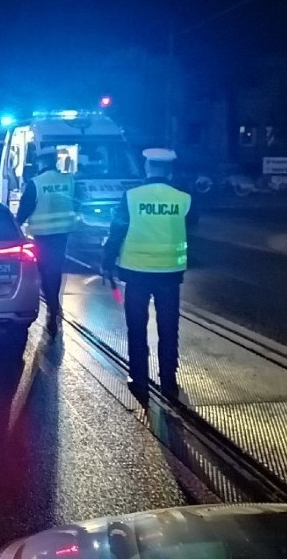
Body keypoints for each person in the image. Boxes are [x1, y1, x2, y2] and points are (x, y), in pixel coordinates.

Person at [101, 148, 195, 399]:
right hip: (169, 273)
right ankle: (169, 382)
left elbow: (117, 230)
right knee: (168, 328)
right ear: (170, 171)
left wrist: (107, 260)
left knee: (136, 326)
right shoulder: (183, 198)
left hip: (136, 272)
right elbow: (192, 226)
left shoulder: (131, 196)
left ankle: (139, 379)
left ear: (146, 168)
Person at [15, 146, 76, 335]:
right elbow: (77, 202)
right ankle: (53, 304)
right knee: (55, 270)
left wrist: (15, 227)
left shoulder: (36, 183)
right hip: (62, 233)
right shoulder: (70, 180)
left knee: (43, 271)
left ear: (40, 162)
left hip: (42, 235)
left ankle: (51, 305)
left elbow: (24, 210)